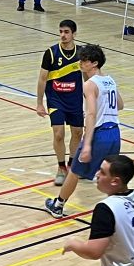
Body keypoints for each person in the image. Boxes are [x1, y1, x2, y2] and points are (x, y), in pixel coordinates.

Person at [45, 44, 123, 218]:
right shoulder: (110, 80)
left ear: (94, 63)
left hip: (100, 134)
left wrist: (87, 144)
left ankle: (57, 206)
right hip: (115, 134)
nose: (80, 63)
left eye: (85, 60)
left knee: (74, 171)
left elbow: (91, 114)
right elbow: (120, 105)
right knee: (112, 174)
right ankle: (119, 209)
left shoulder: (90, 84)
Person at [36, 20, 84, 186]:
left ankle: (72, 166)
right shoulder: (51, 53)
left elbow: (88, 77)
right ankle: (61, 168)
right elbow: (42, 79)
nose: (63, 35)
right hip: (56, 99)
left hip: (75, 100)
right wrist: (39, 103)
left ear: (74, 34)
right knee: (58, 134)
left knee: (77, 132)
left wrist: (92, 99)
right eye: (61, 31)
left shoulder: (82, 53)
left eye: (66, 32)